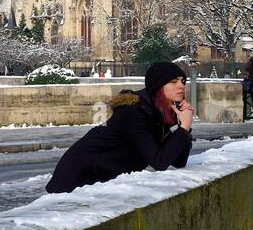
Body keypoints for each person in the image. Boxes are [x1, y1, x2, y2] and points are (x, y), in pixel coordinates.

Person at [46, 61, 193, 194]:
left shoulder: (162, 112)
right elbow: (159, 162)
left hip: (100, 181)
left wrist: (183, 126)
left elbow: (178, 161)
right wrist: (183, 128)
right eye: (174, 82)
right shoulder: (134, 112)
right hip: (77, 178)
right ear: (158, 86)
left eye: (183, 81)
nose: (181, 86)